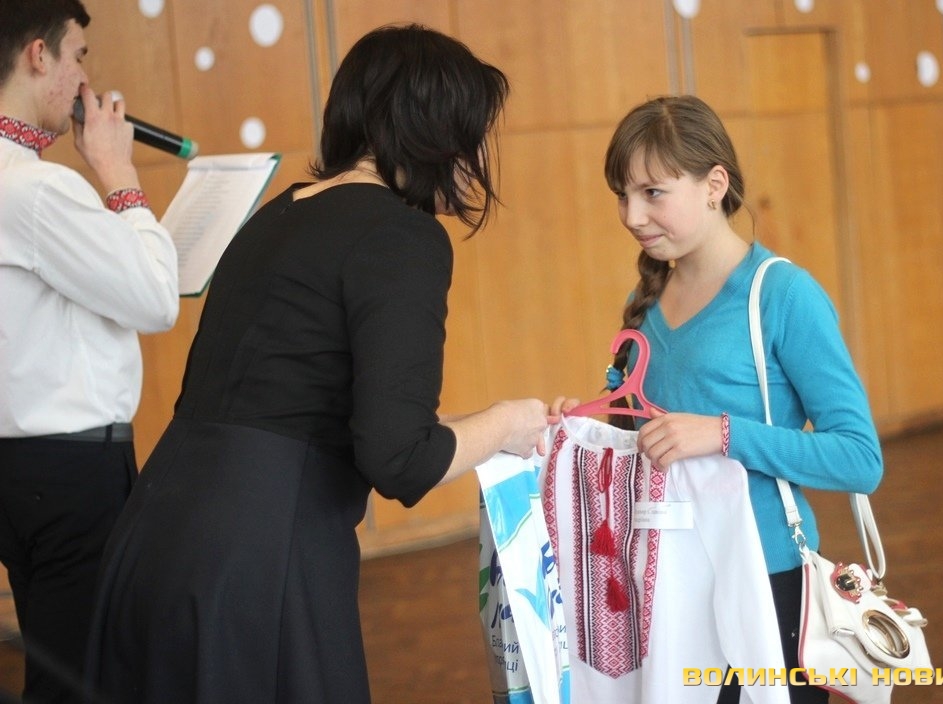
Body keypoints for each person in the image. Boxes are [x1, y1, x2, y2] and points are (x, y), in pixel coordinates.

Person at [83, 23, 552, 704]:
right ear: (435, 129)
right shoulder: (403, 236)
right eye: (474, 131)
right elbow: (402, 459)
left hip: (155, 532)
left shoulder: (281, 213)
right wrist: (509, 420)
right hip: (260, 555)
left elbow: (330, 415)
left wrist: (495, 427)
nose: (478, 153)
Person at [595, 95, 883, 703]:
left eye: (652, 192)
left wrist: (723, 434)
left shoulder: (783, 295)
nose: (632, 215)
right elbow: (635, 430)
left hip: (767, 580)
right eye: (623, 195)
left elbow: (860, 459)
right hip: (667, 579)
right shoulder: (646, 301)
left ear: (714, 185)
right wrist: (583, 421)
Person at [0, 1, 179, 701]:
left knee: (65, 669)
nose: (85, 81)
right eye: (78, 56)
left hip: (20, 469)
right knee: (85, 680)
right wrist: (116, 171)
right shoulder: (36, 190)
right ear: (38, 54)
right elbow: (156, 299)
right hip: (71, 474)